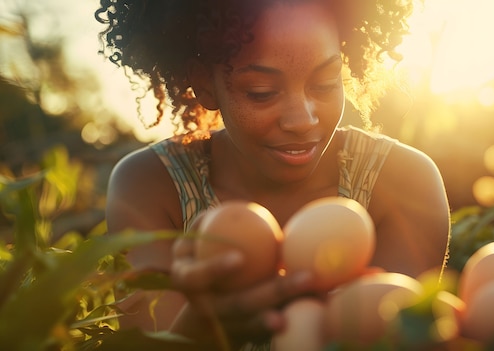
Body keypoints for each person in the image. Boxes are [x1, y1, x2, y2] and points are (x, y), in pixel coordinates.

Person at [96, 0, 451, 349]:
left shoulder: (403, 182)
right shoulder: (151, 186)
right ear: (204, 84)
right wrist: (197, 333)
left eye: (326, 83)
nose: (302, 120)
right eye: (261, 93)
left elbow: (406, 330)